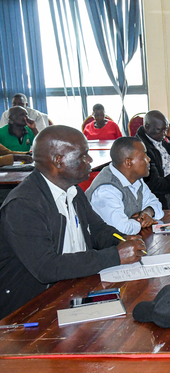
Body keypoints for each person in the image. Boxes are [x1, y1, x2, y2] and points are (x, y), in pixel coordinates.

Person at [0, 126, 145, 319]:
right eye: (83, 156)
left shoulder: (73, 191)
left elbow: (98, 230)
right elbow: (47, 267)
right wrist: (115, 255)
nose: (90, 160)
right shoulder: (23, 205)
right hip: (31, 308)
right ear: (58, 161)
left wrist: (122, 239)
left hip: (74, 288)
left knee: (136, 307)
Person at [86, 137, 164, 235]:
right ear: (128, 162)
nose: (148, 159)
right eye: (144, 156)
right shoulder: (106, 190)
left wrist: (147, 212)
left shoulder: (135, 179)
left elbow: (156, 204)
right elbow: (121, 229)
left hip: (129, 240)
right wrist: (139, 221)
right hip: (105, 243)